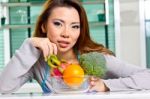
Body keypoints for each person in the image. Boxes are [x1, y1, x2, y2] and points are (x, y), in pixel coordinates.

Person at [0, 0, 150, 94]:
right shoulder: (37, 64)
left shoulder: (94, 58)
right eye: (58, 24)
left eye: (75, 26)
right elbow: (3, 87)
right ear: (44, 26)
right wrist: (29, 45)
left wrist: (105, 85)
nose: (66, 34)